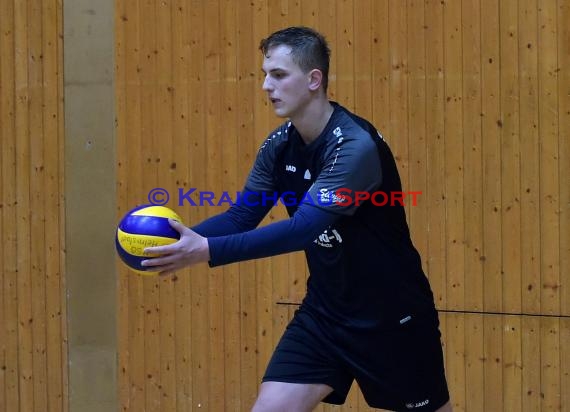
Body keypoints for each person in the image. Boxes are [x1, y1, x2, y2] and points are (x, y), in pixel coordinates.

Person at [143, 26, 452, 412]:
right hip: (324, 315)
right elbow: (242, 215)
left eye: (278, 74)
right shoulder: (279, 145)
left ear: (313, 79)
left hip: (391, 317)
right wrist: (177, 243)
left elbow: (303, 229)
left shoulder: (353, 147)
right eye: (264, 74)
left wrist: (204, 250)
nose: (265, 86)